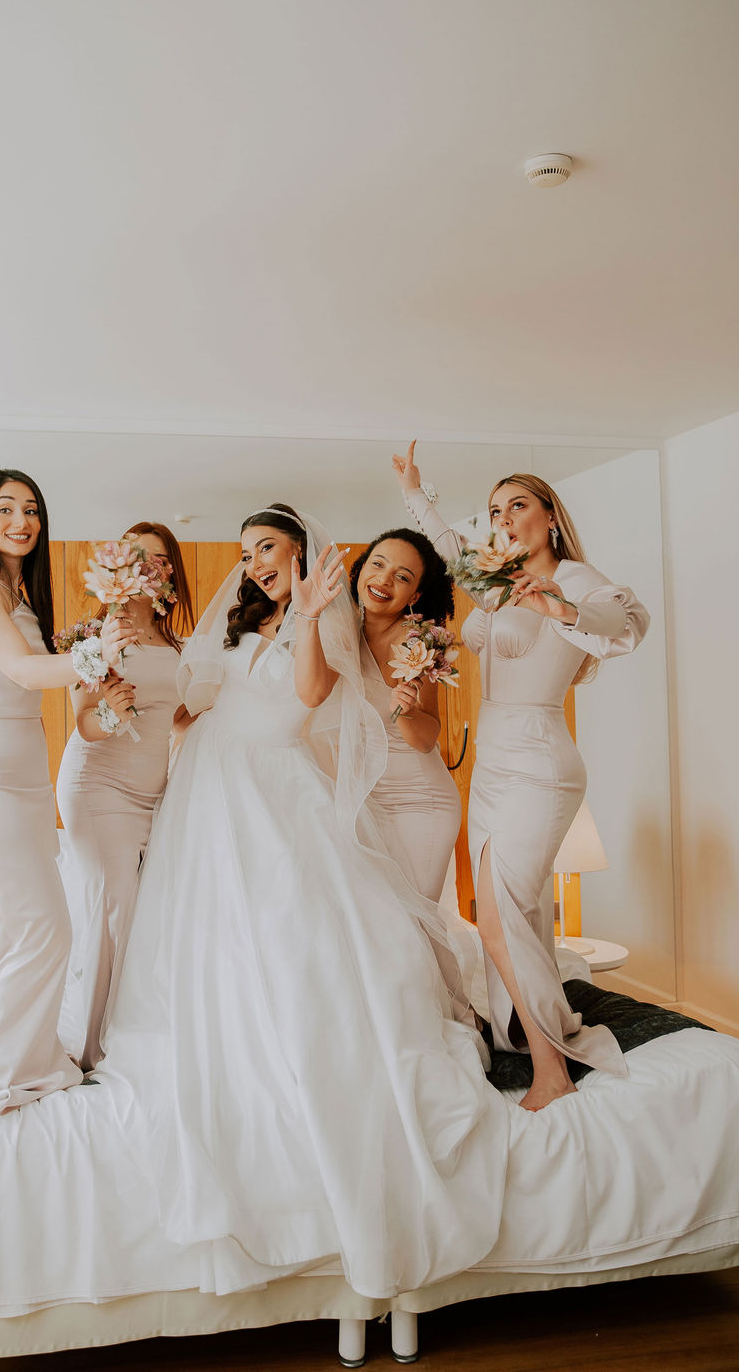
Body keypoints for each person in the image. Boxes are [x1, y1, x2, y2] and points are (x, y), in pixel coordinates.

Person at [93, 502, 509, 1298]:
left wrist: (314, 612)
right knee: (212, 927)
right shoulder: (238, 618)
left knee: (296, 923)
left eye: (268, 548)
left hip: (276, 779)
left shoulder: (325, 613)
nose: (255, 562)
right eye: (247, 550)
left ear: (300, 551)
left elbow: (312, 693)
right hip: (210, 775)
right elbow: (197, 697)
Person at [395, 441, 649, 1110]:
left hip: (540, 763)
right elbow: (452, 550)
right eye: (495, 511)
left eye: (518, 505)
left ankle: (552, 1072)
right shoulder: (499, 581)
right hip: (492, 767)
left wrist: (561, 608)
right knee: (509, 913)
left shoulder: (575, 577)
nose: (504, 519)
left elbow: (627, 622)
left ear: (550, 516)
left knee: (502, 913)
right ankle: (529, 1032)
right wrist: (415, 493)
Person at [0, 469, 127, 1110]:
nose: (22, 522)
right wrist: (96, 653)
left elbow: (45, 674)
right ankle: (0, 1068)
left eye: (32, 510)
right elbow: (21, 670)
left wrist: (99, 683)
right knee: (46, 929)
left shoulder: (18, 595)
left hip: (23, 776)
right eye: (6, 509)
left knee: (6, 935)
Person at [56, 523, 194, 1070]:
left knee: (138, 915)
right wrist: (113, 710)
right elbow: (86, 725)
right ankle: (89, 1052)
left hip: (153, 797)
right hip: (98, 786)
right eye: (137, 557)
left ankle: (122, 1032)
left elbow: (176, 719)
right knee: (111, 910)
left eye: (158, 559)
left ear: (170, 573)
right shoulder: (96, 638)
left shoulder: (180, 646)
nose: (147, 567)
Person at [350, 529, 461, 906]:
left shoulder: (419, 641)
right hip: (364, 800)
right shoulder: (341, 630)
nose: (383, 580)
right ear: (361, 569)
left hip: (419, 801)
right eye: (377, 564)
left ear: (414, 596)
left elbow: (426, 739)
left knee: (414, 919)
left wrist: (408, 712)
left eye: (401, 576)